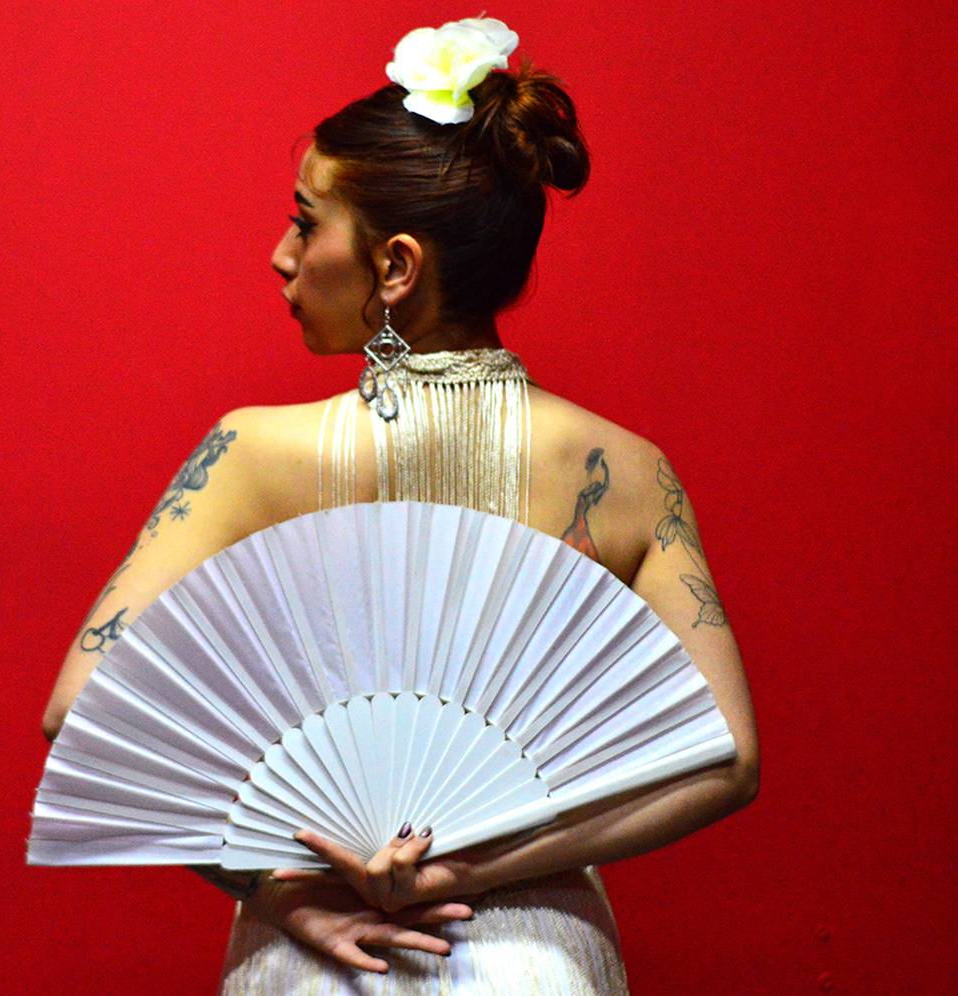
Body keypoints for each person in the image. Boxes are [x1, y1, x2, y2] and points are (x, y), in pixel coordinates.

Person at [41, 16, 760, 994]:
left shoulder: (252, 455)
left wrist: (276, 891)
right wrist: (467, 872)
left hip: (321, 954)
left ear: (395, 267)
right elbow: (726, 760)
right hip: (538, 960)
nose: (281, 255)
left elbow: (80, 708)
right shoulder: (629, 471)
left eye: (306, 223)